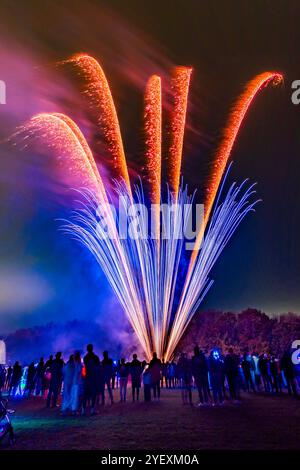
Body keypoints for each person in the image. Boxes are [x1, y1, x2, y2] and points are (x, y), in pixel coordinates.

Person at [83, 344, 100, 415]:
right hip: (93, 377)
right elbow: (98, 367)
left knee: (86, 394)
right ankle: (92, 409)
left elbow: (85, 367)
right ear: (92, 349)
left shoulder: (85, 357)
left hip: (87, 377)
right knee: (93, 393)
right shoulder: (95, 357)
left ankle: (83, 410)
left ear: (87, 349)